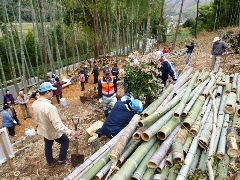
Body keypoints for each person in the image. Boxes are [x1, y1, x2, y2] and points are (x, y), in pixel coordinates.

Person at [32, 82, 79, 167]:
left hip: (44, 130)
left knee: (48, 144)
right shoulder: (50, 108)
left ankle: (50, 162)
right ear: (47, 93)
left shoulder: (35, 104)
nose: (53, 93)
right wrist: (71, 132)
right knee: (65, 141)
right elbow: (58, 125)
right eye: (52, 91)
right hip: (53, 131)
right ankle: (61, 159)